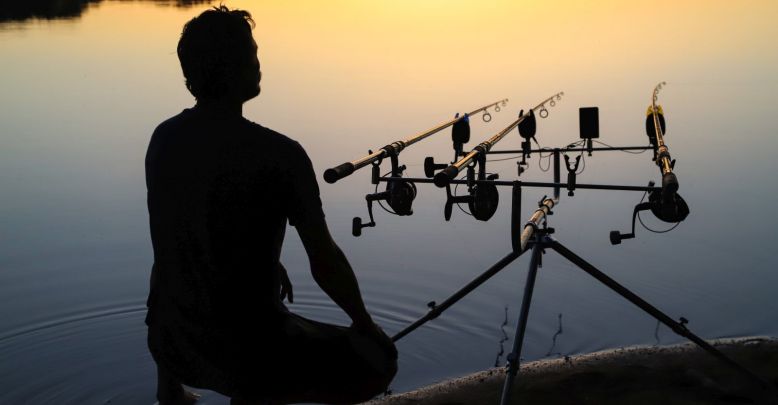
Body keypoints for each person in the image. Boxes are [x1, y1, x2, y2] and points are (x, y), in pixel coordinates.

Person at [145, 6, 397, 404]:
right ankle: (254, 394)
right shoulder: (281, 155)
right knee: (379, 361)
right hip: (247, 355)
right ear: (233, 68)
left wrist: (264, 262)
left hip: (171, 343)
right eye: (251, 54)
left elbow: (176, 239)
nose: (258, 63)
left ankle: (169, 389)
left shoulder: (165, 138)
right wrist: (364, 323)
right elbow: (324, 260)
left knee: (169, 258)